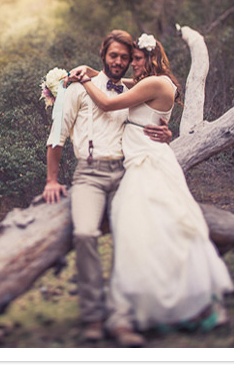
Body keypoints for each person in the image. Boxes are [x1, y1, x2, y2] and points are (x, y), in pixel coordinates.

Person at [69, 33, 234, 336]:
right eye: (129, 59)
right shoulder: (156, 82)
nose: (130, 65)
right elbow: (120, 83)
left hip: (146, 162)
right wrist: (91, 71)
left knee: (141, 226)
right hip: (143, 157)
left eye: (135, 59)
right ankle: (149, 297)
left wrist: (84, 81)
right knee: (155, 229)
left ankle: (155, 301)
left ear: (149, 58)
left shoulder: (154, 83)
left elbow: (107, 102)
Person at [43, 30, 172, 347]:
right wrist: (51, 179)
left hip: (126, 172)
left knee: (131, 237)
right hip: (89, 174)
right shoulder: (77, 89)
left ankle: (122, 317)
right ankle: (93, 317)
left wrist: (166, 133)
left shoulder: (133, 89)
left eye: (125, 58)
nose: (119, 61)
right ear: (104, 55)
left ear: (131, 61)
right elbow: (57, 134)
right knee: (85, 234)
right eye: (114, 55)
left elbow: (150, 118)